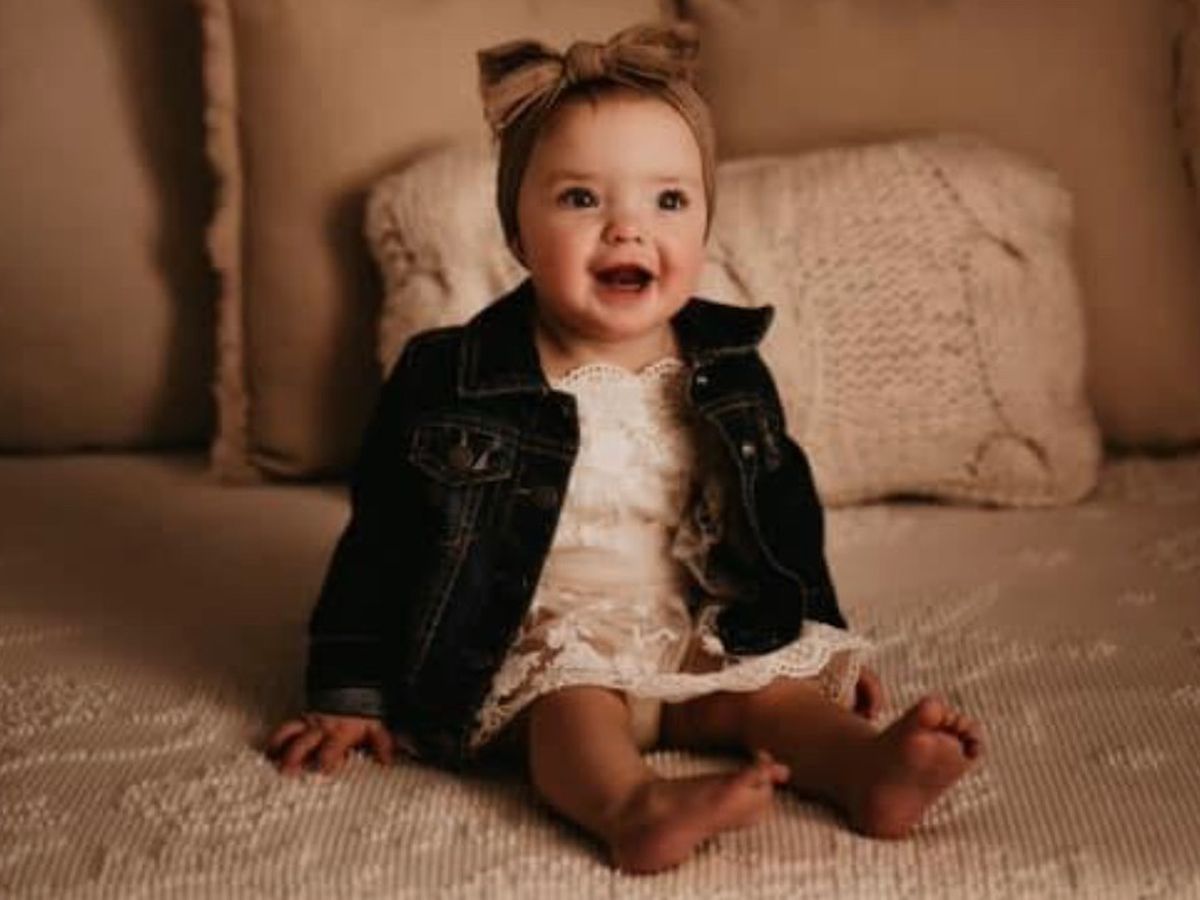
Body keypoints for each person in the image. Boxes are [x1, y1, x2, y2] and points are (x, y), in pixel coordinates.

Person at [267, 22, 984, 874]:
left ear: (705, 225)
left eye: (669, 201)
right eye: (581, 199)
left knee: (771, 693)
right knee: (575, 708)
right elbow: (381, 540)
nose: (627, 230)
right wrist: (348, 691)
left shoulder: (728, 370)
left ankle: (867, 770)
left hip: (693, 629)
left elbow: (782, 515)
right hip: (537, 639)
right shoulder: (452, 378)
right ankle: (630, 806)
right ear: (516, 232)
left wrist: (816, 634)